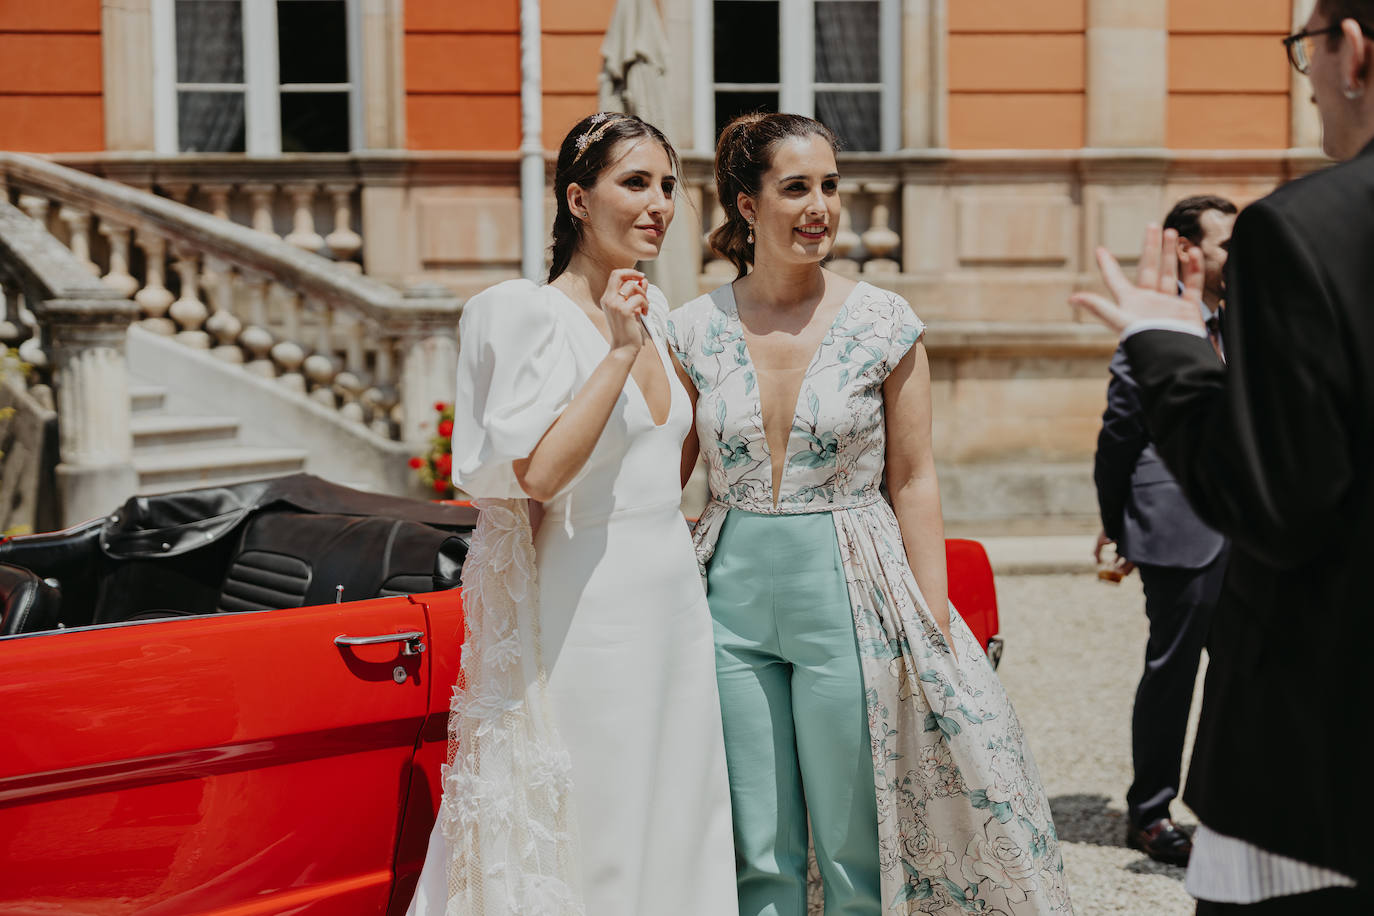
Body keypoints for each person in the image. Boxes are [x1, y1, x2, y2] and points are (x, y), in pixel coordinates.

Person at [668, 112, 1072, 916]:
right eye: (796, 188)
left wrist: (931, 624)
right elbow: (665, 483)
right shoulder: (690, 329)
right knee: (757, 846)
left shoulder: (886, 322)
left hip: (852, 593)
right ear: (747, 206)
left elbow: (915, 479)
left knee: (857, 845)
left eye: (829, 186)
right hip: (726, 604)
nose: (820, 206)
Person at [1070, 2, 1374, 910]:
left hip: (1327, 752)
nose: (1308, 79)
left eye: (1303, 48)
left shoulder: (1308, 230)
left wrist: (1165, 346)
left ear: (1352, 52)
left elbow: (1278, 502)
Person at [406, 112, 738, 916]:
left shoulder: (654, 308)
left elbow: (668, 459)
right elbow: (540, 476)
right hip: (590, 606)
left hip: (671, 602)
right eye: (635, 183)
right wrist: (618, 351)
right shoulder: (526, 312)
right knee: (600, 815)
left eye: (667, 185)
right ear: (578, 199)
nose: (659, 203)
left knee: (676, 808)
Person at [1092, 196, 1236, 868]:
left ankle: (1232, 804)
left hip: (1252, 530)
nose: (1237, 258)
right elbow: (1120, 431)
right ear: (1186, 250)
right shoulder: (1152, 326)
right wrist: (1116, 522)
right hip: (1178, 524)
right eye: (1225, 244)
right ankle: (1150, 811)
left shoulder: (1247, 322)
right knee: (1172, 672)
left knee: (1245, 670)